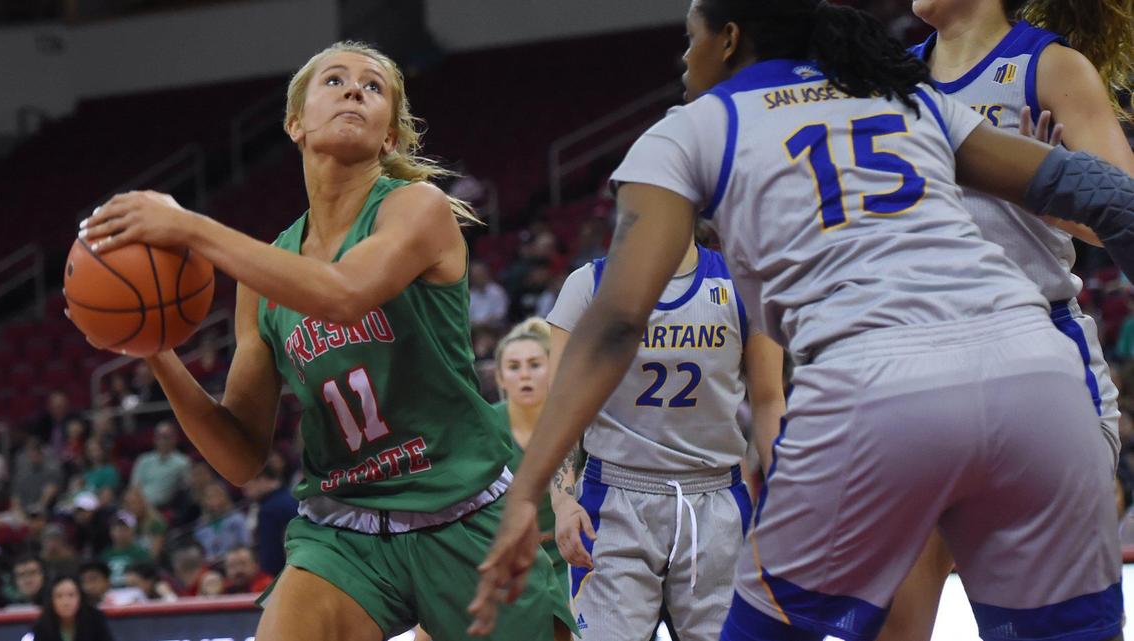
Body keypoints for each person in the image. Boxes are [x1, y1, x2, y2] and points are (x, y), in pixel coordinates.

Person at [470, 1, 1134, 639]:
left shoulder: (692, 126)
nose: (683, 56)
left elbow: (616, 323)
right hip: (1036, 377)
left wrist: (528, 490)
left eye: (690, 36)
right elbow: (1110, 195)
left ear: (727, 39)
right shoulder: (911, 97)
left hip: (878, 389)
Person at [80, 40, 572, 641]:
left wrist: (191, 226)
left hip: (463, 513)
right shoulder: (266, 278)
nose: (354, 90)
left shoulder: (417, 209)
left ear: (390, 136)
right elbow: (240, 455)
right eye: (334, 80)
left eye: (373, 87)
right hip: (345, 529)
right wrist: (154, 348)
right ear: (295, 123)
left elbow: (343, 293)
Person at [878, 2, 1134, 638]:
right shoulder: (885, 77)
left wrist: (1049, 187)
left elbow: (1125, 209)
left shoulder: (1049, 67)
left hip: (1034, 364)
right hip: (919, 378)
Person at [546, 236, 784, 641]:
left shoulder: (745, 286)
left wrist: (786, 501)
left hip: (716, 499)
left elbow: (768, 398)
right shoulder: (590, 284)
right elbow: (559, 408)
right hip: (615, 498)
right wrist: (563, 500)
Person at [492, 319, 570, 595]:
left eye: (535, 365)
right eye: (514, 367)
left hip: (570, 558)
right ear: (500, 377)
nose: (524, 375)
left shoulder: (575, 423)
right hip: (503, 559)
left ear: (553, 369)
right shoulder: (485, 425)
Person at [242, 463, 298, 576]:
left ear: (261, 479)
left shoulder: (269, 510)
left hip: (284, 575)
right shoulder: (294, 497)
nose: (245, 492)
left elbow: (270, 560)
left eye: (247, 485)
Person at [30, 576, 114, 641]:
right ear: (51, 600)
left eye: (71, 595)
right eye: (59, 596)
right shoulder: (41, 626)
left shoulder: (95, 620)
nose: (66, 602)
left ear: (80, 597)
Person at [129, 422, 190, 510]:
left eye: (166, 437)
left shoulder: (182, 463)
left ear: (174, 439)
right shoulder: (144, 460)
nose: (162, 441)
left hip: (159, 508)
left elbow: (186, 488)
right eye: (159, 437)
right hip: (137, 505)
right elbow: (134, 487)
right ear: (154, 439)